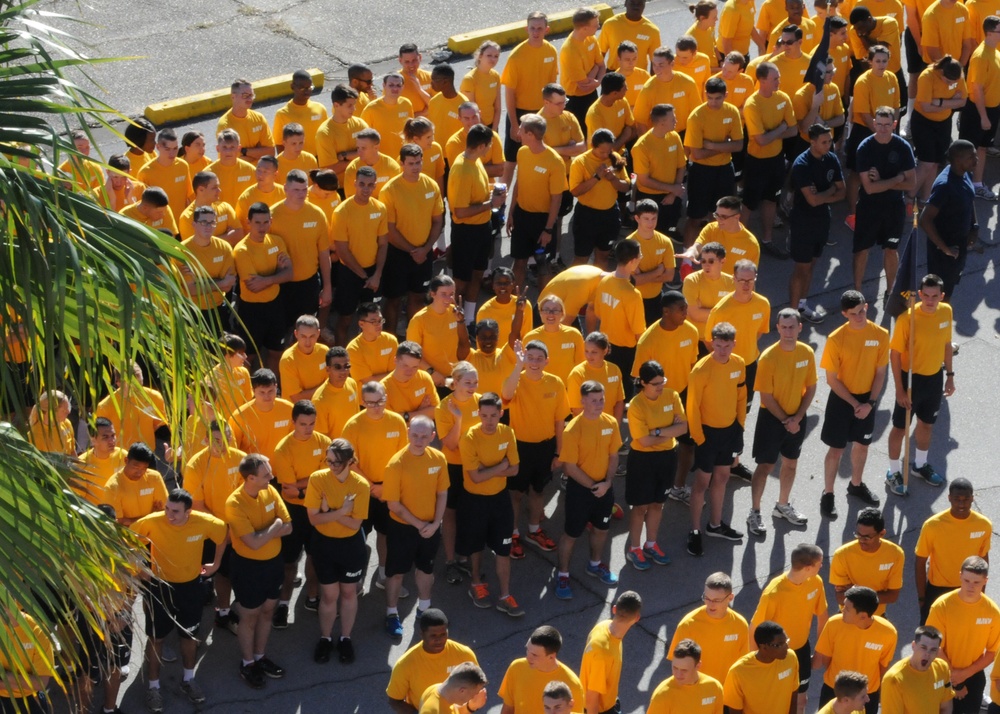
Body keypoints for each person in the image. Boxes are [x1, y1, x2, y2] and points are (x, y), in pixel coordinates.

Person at [132, 489, 227, 710]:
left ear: (189, 512)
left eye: (175, 511)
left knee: (189, 636)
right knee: (156, 639)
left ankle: (188, 679)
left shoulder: (204, 522)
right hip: (160, 588)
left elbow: (223, 535)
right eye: (167, 508)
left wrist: (216, 563)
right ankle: (153, 688)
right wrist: (139, 567)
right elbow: (127, 541)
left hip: (191, 588)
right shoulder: (151, 522)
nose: (169, 515)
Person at [818, 290, 889, 519]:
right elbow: (831, 379)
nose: (859, 316)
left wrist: (869, 402)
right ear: (844, 314)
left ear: (866, 306)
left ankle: (855, 485)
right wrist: (854, 403)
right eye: (853, 313)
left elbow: (880, 372)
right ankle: (828, 494)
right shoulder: (836, 339)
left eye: (861, 311)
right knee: (836, 449)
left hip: (867, 398)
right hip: (842, 398)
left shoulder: (880, 334)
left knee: (862, 445)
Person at [747, 308, 816, 536]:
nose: (788, 331)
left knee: (791, 463)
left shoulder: (806, 353)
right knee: (765, 467)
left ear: (800, 327)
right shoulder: (768, 357)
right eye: (784, 327)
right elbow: (765, 396)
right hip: (772, 419)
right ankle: (755, 512)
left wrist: (797, 417)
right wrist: (787, 420)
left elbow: (811, 387)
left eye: (792, 327)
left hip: (797, 417)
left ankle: (782, 505)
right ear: (777, 328)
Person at [225, 453, 291, 689]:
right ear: (250, 478)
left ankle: (260, 656)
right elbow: (253, 543)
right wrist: (274, 525)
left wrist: (264, 534)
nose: (271, 477)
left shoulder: (270, 490)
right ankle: (247, 662)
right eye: (266, 475)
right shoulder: (234, 503)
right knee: (249, 615)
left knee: (267, 611)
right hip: (248, 568)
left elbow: (289, 526)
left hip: (273, 564)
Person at [501, 340, 570, 561]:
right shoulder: (517, 379)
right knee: (515, 494)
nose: (534, 362)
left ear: (547, 361)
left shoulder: (556, 383)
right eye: (530, 357)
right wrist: (518, 365)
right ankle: (512, 534)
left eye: (539, 358)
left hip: (546, 447)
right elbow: (505, 396)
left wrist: (559, 452)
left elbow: (560, 421)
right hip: (519, 447)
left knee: (538, 491)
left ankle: (533, 530)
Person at [886, 273, 954, 493]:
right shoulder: (907, 319)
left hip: (934, 378)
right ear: (920, 294)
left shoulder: (946, 311)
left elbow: (946, 344)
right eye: (926, 295)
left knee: (926, 424)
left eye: (935, 296)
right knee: (900, 428)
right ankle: (893, 471)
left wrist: (950, 376)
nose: (930, 300)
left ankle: (920, 465)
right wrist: (899, 389)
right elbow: (894, 355)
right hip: (910, 379)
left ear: (942, 296)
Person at [381, 416, 448, 638]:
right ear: (408, 432)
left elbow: (442, 492)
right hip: (403, 528)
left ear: (432, 437)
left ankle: (424, 609)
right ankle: (391, 614)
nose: (418, 440)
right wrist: (422, 525)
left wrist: (436, 523)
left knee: (426, 570)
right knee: (396, 573)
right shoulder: (396, 464)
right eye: (415, 435)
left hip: (430, 526)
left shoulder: (438, 458)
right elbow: (394, 504)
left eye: (424, 436)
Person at [554, 380, 622, 599]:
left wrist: (608, 482)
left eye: (601, 399)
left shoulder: (610, 422)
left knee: (602, 529)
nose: (599, 404)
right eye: (594, 400)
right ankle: (563, 574)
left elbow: (614, 456)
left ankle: (595, 564)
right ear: (583, 401)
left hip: (604, 487)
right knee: (571, 534)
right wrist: (595, 486)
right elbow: (569, 467)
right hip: (581, 491)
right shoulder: (573, 428)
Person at [304, 439, 369, 665]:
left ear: (350, 461)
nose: (331, 466)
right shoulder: (317, 479)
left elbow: (355, 525)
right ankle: (325, 638)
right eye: (328, 460)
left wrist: (329, 511)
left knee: (349, 593)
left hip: (350, 547)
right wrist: (343, 511)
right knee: (329, 595)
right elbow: (313, 519)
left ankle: (345, 638)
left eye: (337, 462)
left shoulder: (361, 485)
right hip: (324, 546)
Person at [459, 392, 523, 616]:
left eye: (493, 415)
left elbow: (514, 469)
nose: (488, 420)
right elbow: (475, 477)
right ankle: (476, 584)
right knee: (476, 547)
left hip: (499, 499)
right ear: (478, 414)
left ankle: (505, 596)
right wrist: (500, 466)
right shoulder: (469, 437)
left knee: (504, 549)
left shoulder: (507, 432)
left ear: (501, 414)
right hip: (474, 501)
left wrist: (491, 471)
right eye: (484, 415)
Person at [341, 381, 408, 594]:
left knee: (386, 534)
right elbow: (349, 461)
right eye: (370, 403)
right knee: (359, 535)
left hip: (389, 487)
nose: (376, 407)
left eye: (380, 401)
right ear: (362, 402)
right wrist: (372, 487)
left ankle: (384, 575)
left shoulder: (397, 421)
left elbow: (402, 458)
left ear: (386, 397)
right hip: (362, 489)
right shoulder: (352, 425)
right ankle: (357, 578)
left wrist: (386, 487)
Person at [686, 322, 746, 556]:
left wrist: (740, 424)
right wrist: (700, 438)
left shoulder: (738, 363)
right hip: (707, 435)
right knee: (702, 483)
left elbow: (741, 395)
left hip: (730, 431)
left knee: (722, 477)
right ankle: (694, 531)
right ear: (711, 343)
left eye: (726, 346)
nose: (721, 350)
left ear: (734, 344)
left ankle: (715, 525)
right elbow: (692, 407)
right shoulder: (701, 370)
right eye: (717, 345)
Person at [269, 400, 329, 628]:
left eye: (312, 423)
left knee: (314, 557)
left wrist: (303, 487)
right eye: (303, 424)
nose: (308, 428)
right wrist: (314, 483)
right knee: (289, 562)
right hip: (293, 511)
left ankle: (312, 598)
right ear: (293, 422)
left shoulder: (324, 442)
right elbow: (288, 489)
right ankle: (283, 605)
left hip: (315, 510)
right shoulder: (283, 449)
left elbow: (328, 477)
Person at [750, 543, 829, 713]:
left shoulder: (815, 582)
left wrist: (819, 653)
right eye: (819, 563)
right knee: (775, 701)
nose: (822, 566)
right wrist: (756, 663)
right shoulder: (774, 592)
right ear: (808, 568)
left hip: (801, 650)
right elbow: (754, 628)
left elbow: (823, 618)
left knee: (801, 700)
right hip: (776, 655)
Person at [184, 420, 245, 633]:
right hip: (210, 531)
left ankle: (231, 612)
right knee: (212, 574)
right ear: (207, 439)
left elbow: (246, 496)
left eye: (225, 439)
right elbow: (198, 506)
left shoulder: (241, 459)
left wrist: (234, 527)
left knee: (234, 573)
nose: (221, 444)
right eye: (215, 440)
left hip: (238, 527)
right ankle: (210, 615)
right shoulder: (195, 465)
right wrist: (223, 531)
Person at [625, 360, 686, 570]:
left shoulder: (672, 395)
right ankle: (634, 548)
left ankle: (651, 544)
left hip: (667, 457)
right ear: (643, 383)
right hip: (643, 461)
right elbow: (643, 442)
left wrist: (657, 432)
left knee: (658, 504)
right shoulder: (636, 405)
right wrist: (669, 430)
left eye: (663, 381)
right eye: (655, 383)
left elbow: (683, 428)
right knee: (640, 506)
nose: (661, 386)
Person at [380, 143, 444, 335]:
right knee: (394, 299)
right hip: (398, 254)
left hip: (423, 254)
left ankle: (412, 336)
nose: (415, 167)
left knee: (418, 297)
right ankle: (390, 338)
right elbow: (389, 230)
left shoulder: (430, 185)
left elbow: (438, 221)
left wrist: (425, 249)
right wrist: (412, 251)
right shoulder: (390, 190)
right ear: (401, 164)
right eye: (411, 163)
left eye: (418, 162)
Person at [853, 107, 916, 295]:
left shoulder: (903, 147)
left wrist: (882, 182)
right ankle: (856, 292)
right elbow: (870, 188)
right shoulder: (865, 148)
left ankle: (891, 291)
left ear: (894, 124)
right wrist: (896, 179)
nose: (882, 129)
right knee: (862, 250)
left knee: (891, 248)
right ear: (874, 124)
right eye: (879, 125)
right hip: (868, 208)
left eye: (887, 125)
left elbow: (911, 183)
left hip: (893, 208)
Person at [449, 124, 507, 322]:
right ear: (482, 146)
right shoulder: (463, 170)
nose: (491, 147)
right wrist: (491, 203)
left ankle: (469, 321)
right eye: (490, 144)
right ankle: (451, 322)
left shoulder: (475, 161)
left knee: (477, 275)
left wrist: (492, 194)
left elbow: (476, 195)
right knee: (460, 283)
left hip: (482, 228)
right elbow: (461, 211)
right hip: (466, 232)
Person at [926, 557, 1000, 713]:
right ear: (960, 576)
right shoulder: (942, 606)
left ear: (986, 580)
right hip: (940, 673)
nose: (970, 587)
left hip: (973, 676)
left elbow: (992, 652)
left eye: (976, 582)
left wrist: (965, 674)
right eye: (966, 580)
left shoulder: (992, 612)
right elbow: (934, 646)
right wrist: (955, 680)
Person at [788, 124, 845, 322]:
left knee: (812, 265)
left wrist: (823, 195)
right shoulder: (802, 164)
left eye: (829, 141)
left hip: (822, 219)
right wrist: (829, 191)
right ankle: (792, 314)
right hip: (803, 221)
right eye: (824, 142)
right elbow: (812, 201)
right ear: (812, 142)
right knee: (801, 267)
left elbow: (842, 191)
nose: (829, 145)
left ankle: (802, 306)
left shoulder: (831, 158)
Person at [915, 479, 992, 623]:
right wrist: (922, 597)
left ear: (972, 499)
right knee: (930, 636)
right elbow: (920, 561)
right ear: (949, 498)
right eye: (957, 499)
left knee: (962, 632)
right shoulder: (932, 525)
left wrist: (981, 591)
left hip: (968, 587)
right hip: (937, 588)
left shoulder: (983, 524)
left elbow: (983, 558)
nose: (961, 504)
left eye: (966, 499)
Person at [813, 586, 897, 713]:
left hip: (867, 694)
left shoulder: (888, 633)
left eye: (847, 609)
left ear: (863, 616)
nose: (842, 611)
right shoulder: (833, 624)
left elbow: (883, 665)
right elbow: (826, 659)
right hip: (835, 690)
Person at [743, 62, 797, 257]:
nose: (779, 82)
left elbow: (794, 130)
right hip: (756, 161)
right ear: (762, 80)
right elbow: (761, 140)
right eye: (775, 78)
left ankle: (767, 240)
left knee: (771, 199)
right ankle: (740, 243)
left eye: (779, 77)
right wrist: (781, 128)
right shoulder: (752, 104)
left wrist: (774, 132)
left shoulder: (783, 98)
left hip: (776, 160)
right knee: (749, 203)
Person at [506, 113, 566, 290]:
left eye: (521, 130)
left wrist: (548, 229)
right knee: (519, 262)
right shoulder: (522, 152)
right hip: (522, 216)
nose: (518, 133)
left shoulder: (555, 161)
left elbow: (557, 198)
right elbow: (519, 182)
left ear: (530, 135)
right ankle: (514, 305)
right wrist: (511, 213)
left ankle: (542, 309)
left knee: (542, 265)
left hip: (542, 221)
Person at [331, 166, 389, 345]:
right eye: (362, 184)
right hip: (350, 274)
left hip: (373, 274)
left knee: (372, 320)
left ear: (375, 186)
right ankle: (341, 355)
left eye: (370, 185)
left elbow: (383, 243)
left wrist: (377, 274)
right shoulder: (342, 212)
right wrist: (365, 276)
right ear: (354, 184)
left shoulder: (380, 208)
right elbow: (342, 250)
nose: (366, 189)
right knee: (346, 319)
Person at [231, 203, 293, 373]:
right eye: (257, 222)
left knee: (276, 351)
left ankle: (274, 387)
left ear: (271, 221)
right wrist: (278, 274)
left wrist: (266, 279)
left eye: (266, 222)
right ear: (248, 222)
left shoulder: (277, 241)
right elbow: (253, 287)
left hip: (275, 306)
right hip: (251, 311)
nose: (262, 227)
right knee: (248, 356)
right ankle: (247, 390)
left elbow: (290, 274)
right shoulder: (242, 250)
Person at [500, 12, 560, 186]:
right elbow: (509, 93)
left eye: (539, 28)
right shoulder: (517, 56)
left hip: (542, 114)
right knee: (510, 162)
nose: (536, 32)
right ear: (527, 29)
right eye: (532, 28)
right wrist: (514, 124)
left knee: (539, 159)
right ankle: (500, 203)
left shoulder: (551, 51)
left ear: (546, 30)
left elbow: (551, 86)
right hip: (520, 114)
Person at [433, 362, 480, 584]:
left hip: (475, 466)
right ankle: (450, 561)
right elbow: (451, 445)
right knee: (450, 514)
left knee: (469, 513)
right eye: (467, 382)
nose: (472, 386)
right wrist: (459, 418)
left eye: (475, 382)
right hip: (452, 466)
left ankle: (464, 556)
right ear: (456, 383)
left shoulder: (481, 401)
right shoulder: (444, 407)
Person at [705, 259, 770, 416]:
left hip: (749, 365)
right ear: (734, 279)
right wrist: (723, 360)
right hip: (725, 367)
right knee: (723, 411)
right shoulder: (720, 310)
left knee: (743, 410)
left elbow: (759, 332)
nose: (746, 285)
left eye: (750, 280)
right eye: (741, 280)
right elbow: (709, 341)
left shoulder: (763, 304)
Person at [684, 79, 745, 245]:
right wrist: (725, 145)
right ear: (705, 95)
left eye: (718, 98)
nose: (713, 102)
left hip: (724, 170)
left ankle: (715, 253)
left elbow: (739, 145)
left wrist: (711, 145)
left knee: (721, 216)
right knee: (695, 217)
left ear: (726, 95)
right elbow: (697, 153)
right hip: (700, 171)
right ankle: (686, 259)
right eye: (710, 98)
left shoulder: (732, 112)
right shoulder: (696, 116)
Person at [386, 609, 479, 714]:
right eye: (433, 636)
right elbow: (394, 700)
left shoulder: (465, 655)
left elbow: (477, 688)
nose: (439, 640)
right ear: (422, 634)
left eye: (443, 634)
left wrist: (470, 707)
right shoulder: (405, 664)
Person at [270, 169, 332, 323]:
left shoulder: (317, 214)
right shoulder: (272, 215)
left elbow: (324, 253)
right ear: (285, 188)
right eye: (296, 190)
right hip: (281, 284)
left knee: (306, 328)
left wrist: (328, 286)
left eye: (304, 190)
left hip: (308, 284)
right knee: (283, 329)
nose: (301, 194)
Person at [920, 140, 980, 299]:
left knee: (950, 288)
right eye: (971, 157)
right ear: (958, 160)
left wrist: (974, 226)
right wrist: (945, 248)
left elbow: (969, 198)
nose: (976, 160)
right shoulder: (945, 186)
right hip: (944, 252)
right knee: (939, 295)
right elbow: (925, 219)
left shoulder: (965, 173)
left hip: (959, 246)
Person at [668, 572, 750, 684]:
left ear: (730, 597)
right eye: (706, 598)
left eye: (716, 600)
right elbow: (678, 666)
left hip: (727, 691)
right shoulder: (688, 625)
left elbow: (743, 663)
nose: (710, 604)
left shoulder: (740, 624)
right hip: (698, 692)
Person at [569, 129, 630, 267]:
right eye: (602, 152)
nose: (605, 155)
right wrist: (597, 177)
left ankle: (597, 286)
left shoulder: (615, 158)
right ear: (593, 146)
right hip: (586, 216)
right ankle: (577, 287)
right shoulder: (580, 162)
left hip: (610, 215)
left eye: (608, 151)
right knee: (581, 259)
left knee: (603, 257)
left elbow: (626, 187)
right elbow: (575, 191)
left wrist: (613, 179)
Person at [830, 508, 905, 617]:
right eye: (858, 535)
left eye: (867, 537)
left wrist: (855, 594)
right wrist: (874, 596)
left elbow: (892, 596)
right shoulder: (842, 555)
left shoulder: (896, 554)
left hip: (877, 617)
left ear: (882, 533)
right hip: (847, 616)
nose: (861, 540)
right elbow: (841, 598)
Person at [593, 239, 646, 397]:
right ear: (633, 261)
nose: (641, 257)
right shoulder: (632, 295)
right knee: (624, 393)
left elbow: (598, 312)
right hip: (626, 351)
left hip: (606, 344)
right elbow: (639, 332)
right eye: (640, 255)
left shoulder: (604, 280)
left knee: (608, 388)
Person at [912, 58, 968, 202]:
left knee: (936, 162)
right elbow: (926, 107)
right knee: (926, 163)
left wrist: (940, 101)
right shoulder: (927, 76)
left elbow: (963, 101)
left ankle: (925, 199)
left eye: (954, 83)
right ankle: (907, 198)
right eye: (949, 82)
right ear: (942, 73)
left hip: (944, 122)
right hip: (924, 123)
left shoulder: (957, 74)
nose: (952, 85)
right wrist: (951, 102)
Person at [958, 15, 1000, 199]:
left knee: (982, 148)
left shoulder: (995, 51)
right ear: (990, 33)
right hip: (977, 110)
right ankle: (958, 185)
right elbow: (977, 89)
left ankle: (977, 184)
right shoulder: (980, 56)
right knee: (967, 149)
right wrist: (983, 116)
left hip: (992, 109)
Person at [580, 591, 642, 714]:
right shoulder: (604, 654)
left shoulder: (603, 625)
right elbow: (591, 698)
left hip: (610, 701)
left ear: (614, 609)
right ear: (636, 618)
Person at [498, 626, 583, 713]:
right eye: (527, 650)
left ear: (551, 657)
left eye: (534, 655)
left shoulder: (573, 685)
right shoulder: (516, 667)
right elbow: (508, 708)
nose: (528, 657)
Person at [632, 105, 687, 237]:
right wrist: (673, 189)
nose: (676, 121)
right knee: (648, 234)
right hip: (651, 198)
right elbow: (644, 180)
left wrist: (673, 193)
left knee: (666, 230)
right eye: (673, 119)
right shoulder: (641, 146)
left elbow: (681, 165)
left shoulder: (674, 136)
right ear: (662, 123)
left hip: (671, 195)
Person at [723, 621, 800, 714]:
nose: (787, 647)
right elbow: (734, 710)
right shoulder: (738, 672)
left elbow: (794, 694)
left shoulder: (791, 658)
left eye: (786, 641)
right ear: (763, 647)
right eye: (779, 644)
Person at [880, 625, 955, 714]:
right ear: (913, 646)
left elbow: (946, 707)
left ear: (938, 651)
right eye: (923, 648)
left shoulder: (942, 668)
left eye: (933, 650)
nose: (927, 654)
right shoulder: (894, 679)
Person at [228, 368, 294, 462]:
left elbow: (296, 441)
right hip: (255, 474)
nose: (266, 396)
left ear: (276, 387)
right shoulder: (239, 416)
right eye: (262, 392)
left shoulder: (289, 409)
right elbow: (233, 450)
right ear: (253, 390)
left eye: (270, 391)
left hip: (283, 471)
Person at [0, 603, 55, 714]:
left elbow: (41, 683)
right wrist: (23, 681)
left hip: (31, 697)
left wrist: (6, 677)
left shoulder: (37, 631)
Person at [629, 200, 677, 326]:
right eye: (646, 218)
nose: (650, 223)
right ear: (637, 218)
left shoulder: (665, 242)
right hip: (633, 299)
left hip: (656, 300)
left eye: (653, 218)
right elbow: (632, 281)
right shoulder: (629, 244)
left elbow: (669, 276)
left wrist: (643, 276)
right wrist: (657, 272)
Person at [634, 48, 701, 137]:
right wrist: (652, 143)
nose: (656, 69)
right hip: (660, 136)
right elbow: (640, 121)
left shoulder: (687, 82)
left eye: (661, 65)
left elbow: (696, 114)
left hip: (684, 134)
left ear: (672, 64)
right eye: (654, 65)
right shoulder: (648, 88)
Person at [560, 7, 606, 130]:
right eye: (596, 25)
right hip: (575, 100)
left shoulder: (591, 38)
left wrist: (597, 80)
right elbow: (584, 85)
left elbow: (602, 65)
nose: (598, 26)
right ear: (585, 28)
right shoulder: (570, 50)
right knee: (581, 134)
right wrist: (596, 70)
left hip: (592, 94)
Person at [648, 639, 724, 713]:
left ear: (698, 666)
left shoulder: (714, 687)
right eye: (675, 668)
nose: (678, 674)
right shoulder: (662, 695)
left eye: (684, 670)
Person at [524, 295, 586, 385]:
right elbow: (525, 368)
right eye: (546, 310)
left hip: (568, 388)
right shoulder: (530, 338)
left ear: (562, 313)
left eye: (555, 310)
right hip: (540, 387)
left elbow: (581, 365)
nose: (550, 314)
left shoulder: (574, 335)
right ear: (540, 313)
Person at [103, 442, 168, 526]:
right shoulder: (113, 487)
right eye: (136, 467)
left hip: (153, 532)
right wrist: (151, 516)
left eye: (144, 468)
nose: (139, 473)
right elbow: (119, 521)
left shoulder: (155, 477)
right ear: (126, 460)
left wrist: (130, 520)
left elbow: (164, 511)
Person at [315, 84, 368, 186]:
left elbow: (371, 153)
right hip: (339, 188)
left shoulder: (361, 125)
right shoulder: (324, 133)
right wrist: (358, 159)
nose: (354, 109)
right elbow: (329, 169)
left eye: (354, 105)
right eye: (349, 106)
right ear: (336, 105)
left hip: (362, 185)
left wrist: (346, 156)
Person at [137, 127, 191, 219]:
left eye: (175, 148)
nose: (172, 153)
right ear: (158, 147)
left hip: (181, 224)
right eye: (167, 149)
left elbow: (189, 197)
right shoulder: (145, 172)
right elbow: (142, 206)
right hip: (159, 227)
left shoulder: (183, 166)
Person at [271, 69, 327, 156]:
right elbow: (279, 144)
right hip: (297, 162)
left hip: (320, 161)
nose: (307, 91)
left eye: (310, 87)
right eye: (302, 88)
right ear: (293, 87)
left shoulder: (320, 109)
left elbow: (326, 137)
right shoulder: (282, 114)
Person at [359, 75, 413, 163]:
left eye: (398, 85)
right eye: (391, 85)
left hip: (404, 159)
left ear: (403, 87)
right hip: (381, 161)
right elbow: (362, 139)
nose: (395, 88)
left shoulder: (406, 104)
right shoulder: (371, 109)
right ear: (384, 85)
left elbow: (410, 132)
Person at [381, 341, 440, 422]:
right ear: (395, 360)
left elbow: (436, 411)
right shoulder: (383, 388)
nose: (409, 371)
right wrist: (421, 412)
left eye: (415, 367)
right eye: (405, 366)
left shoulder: (424, 378)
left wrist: (405, 416)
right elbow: (391, 422)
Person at [310, 346, 361, 440]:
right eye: (337, 367)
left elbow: (357, 417)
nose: (343, 371)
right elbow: (322, 439)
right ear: (328, 369)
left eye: (347, 366)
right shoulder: (320, 400)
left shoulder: (352, 383)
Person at [177, 170, 240, 244]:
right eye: (214, 188)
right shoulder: (187, 218)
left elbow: (239, 235)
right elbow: (195, 247)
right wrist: (228, 236)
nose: (219, 190)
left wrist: (206, 239)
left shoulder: (225, 207)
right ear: (201, 190)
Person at [75, 417, 126, 506]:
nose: (112, 441)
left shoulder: (124, 456)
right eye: (105, 437)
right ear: (93, 439)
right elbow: (79, 501)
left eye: (113, 435)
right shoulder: (81, 465)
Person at [218, 79, 275, 158]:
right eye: (245, 96)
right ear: (233, 97)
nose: (249, 99)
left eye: (251, 95)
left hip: (260, 170)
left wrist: (243, 151)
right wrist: (257, 151)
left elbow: (270, 152)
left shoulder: (259, 118)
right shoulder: (225, 125)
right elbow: (230, 158)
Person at [278, 315, 329, 402]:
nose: (308, 342)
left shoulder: (325, 351)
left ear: (318, 333)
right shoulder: (288, 360)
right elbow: (296, 398)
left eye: (312, 336)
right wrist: (328, 388)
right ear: (296, 334)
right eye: (303, 336)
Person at [599, 0, 661, 70]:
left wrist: (653, 80)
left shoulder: (652, 30)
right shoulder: (610, 24)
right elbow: (600, 53)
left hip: (639, 75)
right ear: (625, 3)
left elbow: (656, 60)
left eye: (640, 3)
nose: (636, 6)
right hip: (614, 74)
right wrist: (599, 77)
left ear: (644, 5)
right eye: (632, 2)